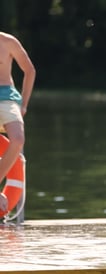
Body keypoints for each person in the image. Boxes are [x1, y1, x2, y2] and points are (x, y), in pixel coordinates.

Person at [0, 31, 35, 215]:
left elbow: (30, 70)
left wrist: (24, 104)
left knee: (18, 138)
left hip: (6, 98)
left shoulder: (8, 42)